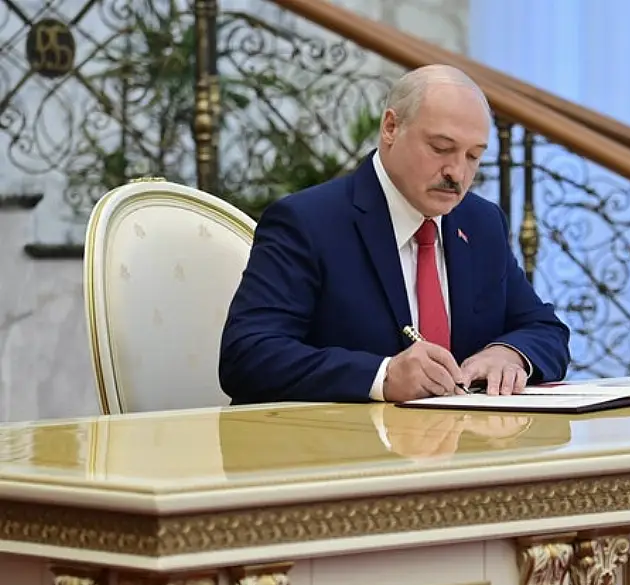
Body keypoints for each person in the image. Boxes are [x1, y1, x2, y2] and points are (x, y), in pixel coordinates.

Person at [219, 64, 570, 404]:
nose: (457, 173)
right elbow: (248, 355)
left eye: (473, 156)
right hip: (341, 451)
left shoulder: (480, 222)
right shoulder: (307, 221)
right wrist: (382, 376)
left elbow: (545, 329)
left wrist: (509, 354)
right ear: (391, 127)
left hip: (463, 453)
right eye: (441, 148)